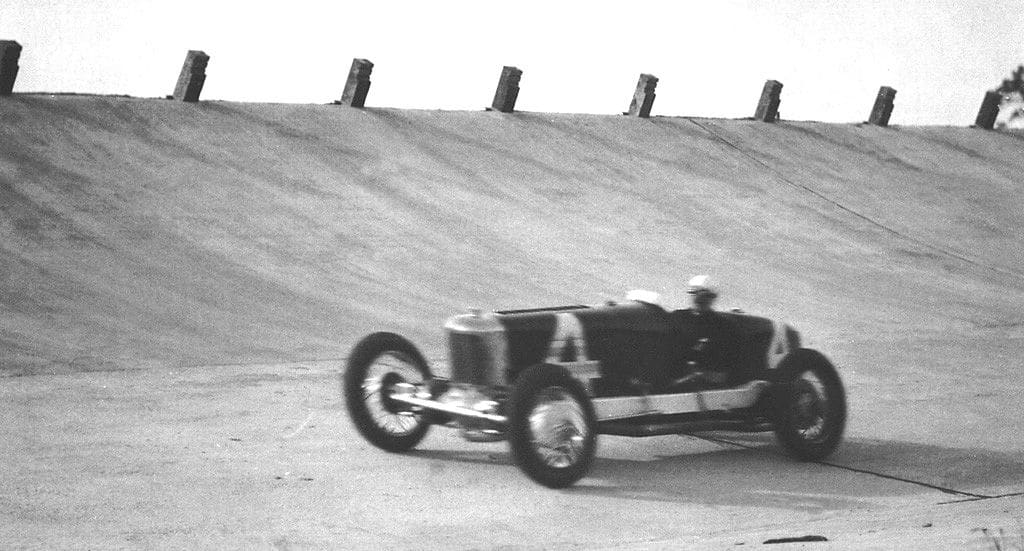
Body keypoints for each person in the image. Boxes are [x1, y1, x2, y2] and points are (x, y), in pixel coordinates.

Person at [669, 275, 732, 388]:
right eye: (696, 294)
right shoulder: (676, 317)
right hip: (672, 371)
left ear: (713, 298)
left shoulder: (723, 326)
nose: (700, 300)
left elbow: (720, 371)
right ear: (691, 294)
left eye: (706, 296)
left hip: (699, 381)